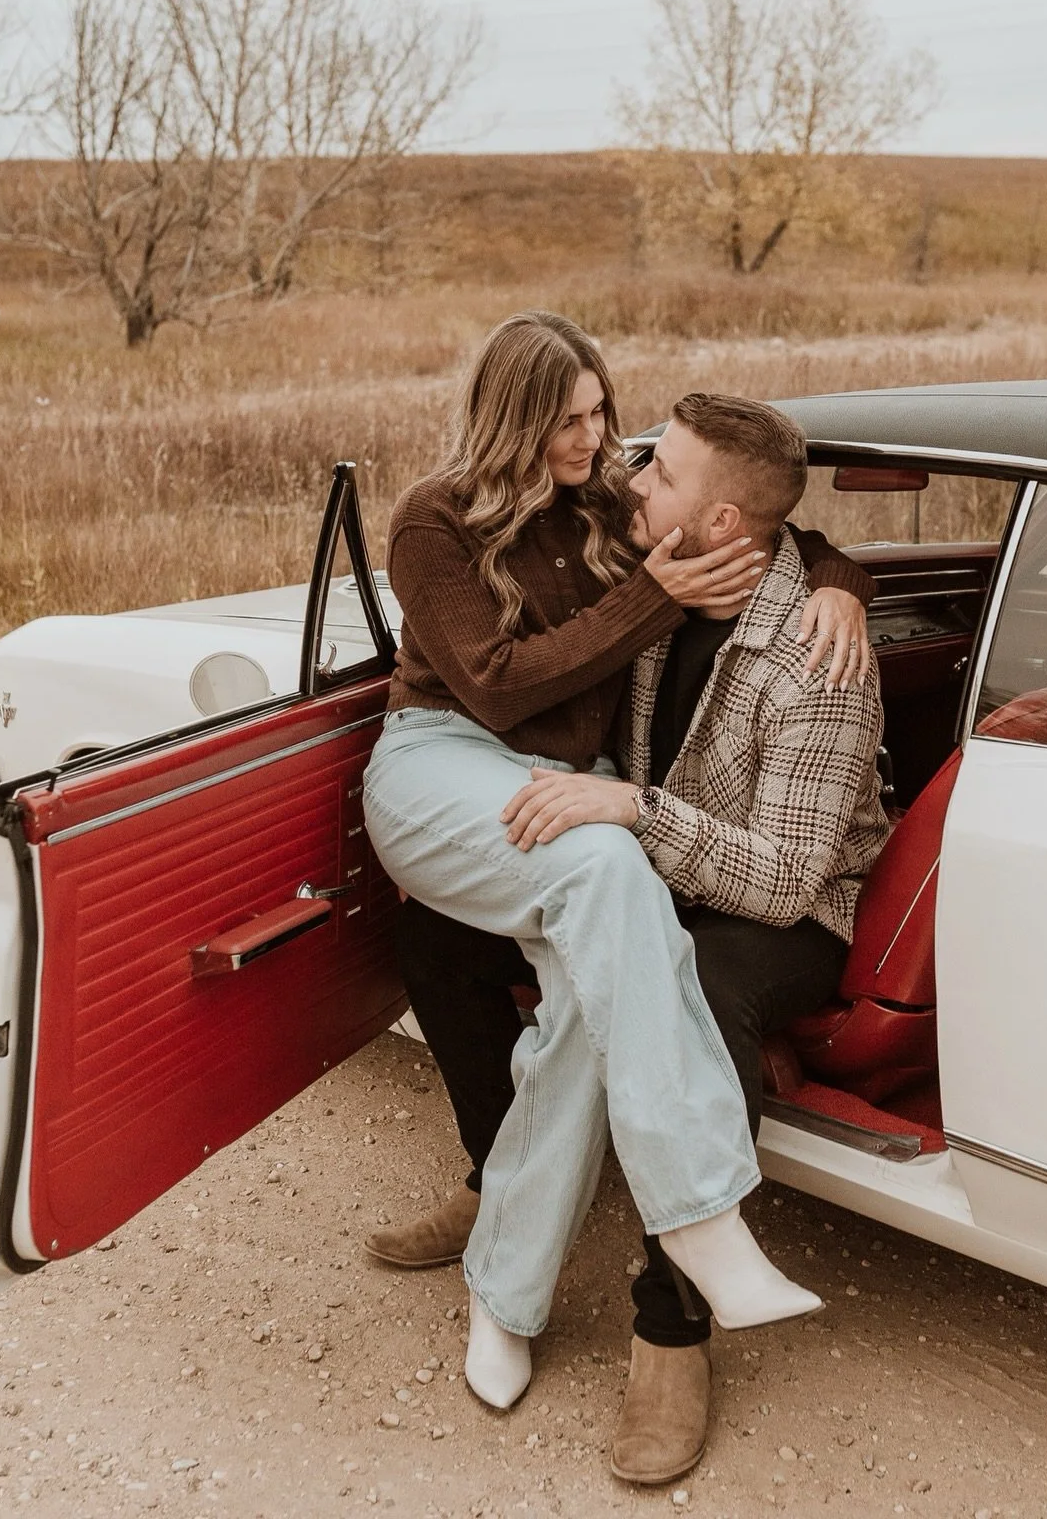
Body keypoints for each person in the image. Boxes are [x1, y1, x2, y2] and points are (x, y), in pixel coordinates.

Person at [370, 391, 890, 1483]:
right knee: (444, 946)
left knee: (692, 975)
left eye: (660, 473)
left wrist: (636, 813)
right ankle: (498, 1177)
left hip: (788, 908)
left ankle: (673, 1325)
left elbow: (788, 881)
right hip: (653, 864)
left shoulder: (815, 661)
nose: (631, 477)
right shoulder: (652, 565)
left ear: (719, 529)